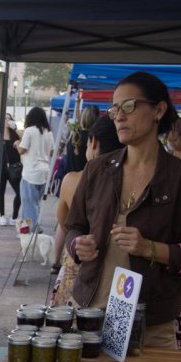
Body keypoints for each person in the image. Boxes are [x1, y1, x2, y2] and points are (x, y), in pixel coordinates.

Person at [64, 71, 181, 349]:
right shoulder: (97, 169)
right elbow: (74, 226)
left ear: (158, 110)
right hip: (89, 311)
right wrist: (77, 245)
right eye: (114, 108)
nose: (118, 116)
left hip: (150, 321)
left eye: (129, 106)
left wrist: (150, 248)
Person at [50, 115, 122, 304]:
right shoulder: (131, 183)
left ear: (94, 142)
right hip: (121, 274)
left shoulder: (72, 180)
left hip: (79, 268)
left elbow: (65, 225)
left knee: (72, 326)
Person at [15, 106, 55, 228]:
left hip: (30, 173)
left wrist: (17, 144)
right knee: (37, 204)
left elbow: (22, 150)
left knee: (29, 205)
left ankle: (32, 230)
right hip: (44, 173)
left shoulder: (30, 131)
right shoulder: (49, 133)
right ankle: (35, 227)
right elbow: (53, 152)